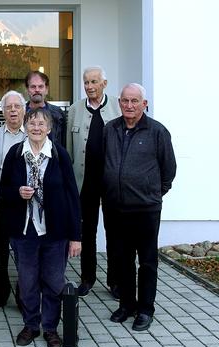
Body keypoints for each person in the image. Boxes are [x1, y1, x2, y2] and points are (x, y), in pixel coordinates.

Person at [0, 108, 81, 347]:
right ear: (25, 126)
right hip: (25, 230)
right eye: (32, 123)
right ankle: (31, 324)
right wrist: (17, 192)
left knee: (54, 281)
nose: (36, 127)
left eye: (41, 124)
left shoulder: (59, 155)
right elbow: (3, 192)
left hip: (55, 232)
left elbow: (73, 197)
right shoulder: (15, 154)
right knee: (27, 281)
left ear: (50, 128)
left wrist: (76, 237)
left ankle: (51, 328)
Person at [104, 83, 176, 332]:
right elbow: (102, 162)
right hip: (116, 208)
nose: (129, 105)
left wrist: (152, 193)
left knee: (146, 262)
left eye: (135, 101)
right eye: (125, 100)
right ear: (119, 102)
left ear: (144, 104)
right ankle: (126, 305)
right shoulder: (110, 129)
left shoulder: (157, 132)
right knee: (122, 260)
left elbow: (169, 170)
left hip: (146, 210)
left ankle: (145, 309)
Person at [66, 66, 122, 298]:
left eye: (94, 82)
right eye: (86, 82)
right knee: (87, 231)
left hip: (111, 183)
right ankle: (87, 278)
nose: (90, 86)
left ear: (104, 84)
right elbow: (69, 148)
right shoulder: (74, 110)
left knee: (114, 232)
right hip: (84, 181)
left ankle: (115, 281)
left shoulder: (119, 107)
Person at [0, 90, 27, 314]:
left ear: (23, 110)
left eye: (16, 107)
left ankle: (24, 296)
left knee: (23, 255)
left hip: (24, 207)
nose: (12, 111)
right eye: (8, 107)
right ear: (3, 111)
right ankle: (0, 294)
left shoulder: (32, 136)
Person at [25, 71, 66, 147]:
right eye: (33, 87)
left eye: (40, 86)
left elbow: (64, 143)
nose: (37, 90)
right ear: (27, 89)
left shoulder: (58, 114)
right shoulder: (20, 113)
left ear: (46, 89)